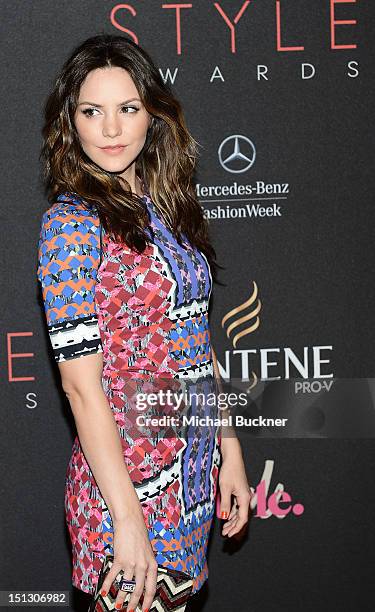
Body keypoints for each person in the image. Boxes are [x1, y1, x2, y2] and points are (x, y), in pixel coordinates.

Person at [37, 34, 252, 611]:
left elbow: (195, 344)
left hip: (189, 481)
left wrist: (228, 448)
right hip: (125, 491)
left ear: (152, 114)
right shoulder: (71, 225)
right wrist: (126, 519)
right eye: (92, 111)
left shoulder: (166, 209)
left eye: (127, 108)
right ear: (71, 121)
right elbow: (81, 387)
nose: (110, 129)